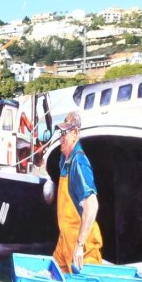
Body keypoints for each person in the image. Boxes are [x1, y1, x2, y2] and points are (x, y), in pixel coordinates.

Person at [52, 111, 102, 273]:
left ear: (75, 134)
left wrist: (80, 245)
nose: (61, 137)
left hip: (82, 250)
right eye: (60, 133)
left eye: (64, 133)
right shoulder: (64, 159)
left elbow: (91, 205)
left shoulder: (79, 162)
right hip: (64, 243)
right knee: (51, 278)